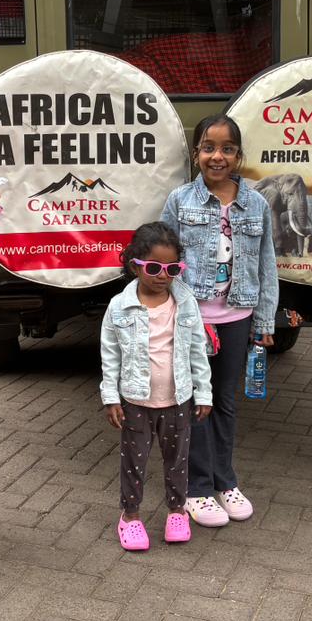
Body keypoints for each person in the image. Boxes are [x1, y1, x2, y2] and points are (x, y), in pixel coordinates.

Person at [160, 115, 279, 528]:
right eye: (209, 147)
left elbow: (266, 265)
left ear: (239, 155)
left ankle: (225, 480)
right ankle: (196, 488)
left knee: (225, 400)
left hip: (237, 317)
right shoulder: (180, 200)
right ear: (196, 153)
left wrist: (264, 320)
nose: (218, 156)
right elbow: (164, 262)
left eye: (227, 148)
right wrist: (166, 313)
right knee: (196, 401)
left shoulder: (256, 204)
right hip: (193, 320)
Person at [100, 223, 213, 550]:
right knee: (133, 463)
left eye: (172, 269)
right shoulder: (119, 306)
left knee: (177, 461)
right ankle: (130, 516)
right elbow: (110, 355)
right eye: (153, 267)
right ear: (135, 265)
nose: (163, 276)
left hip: (178, 400)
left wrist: (204, 393)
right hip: (136, 402)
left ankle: (177, 512)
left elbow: (197, 350)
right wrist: (111, 397)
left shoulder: (186, 304)